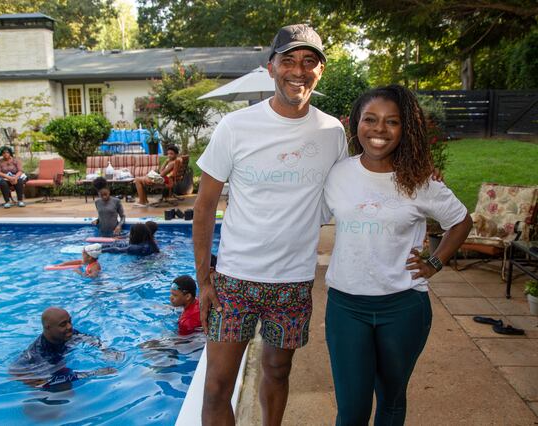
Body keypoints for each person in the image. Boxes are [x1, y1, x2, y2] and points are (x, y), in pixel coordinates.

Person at [193, 24, 347, 426]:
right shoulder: (235, 127)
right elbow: (205, 205)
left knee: (279, 372)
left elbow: (350, 188)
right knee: (215, 389)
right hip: (234, 280)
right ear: (271, 68)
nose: (298, 70)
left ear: (320, 71)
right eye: (289, 60)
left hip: (292, 282)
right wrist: (203, 279)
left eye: (309, 61)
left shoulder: (333, 132)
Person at [323, 85, 472, 425]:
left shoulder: (420, 180)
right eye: (370, 119)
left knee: (391, 401)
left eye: (392, 122)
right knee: (351, 410)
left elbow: (462, 221)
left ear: (406, 129)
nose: (379, 130)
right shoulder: (337, 174)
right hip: (347, 307)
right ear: (355, 124)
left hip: (403, 306)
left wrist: (435, 262)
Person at [9, 307, 122, 391]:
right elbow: (14, 370)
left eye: (69, 321)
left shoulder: (70, 334)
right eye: (63, 324)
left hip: (59, 360)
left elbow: (89, 338)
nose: (69, 327)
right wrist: (94, 373)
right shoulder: (40, 354)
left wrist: (105, 350)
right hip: (37, 371)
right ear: (48, 328)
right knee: (64, 389)